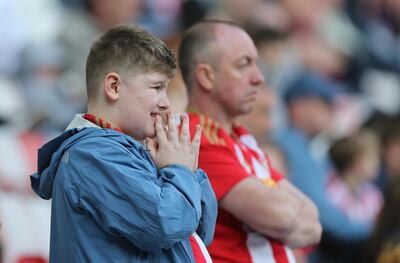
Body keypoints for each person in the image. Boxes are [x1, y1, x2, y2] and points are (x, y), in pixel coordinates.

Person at [30, 24, 217, 263]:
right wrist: (179, 171)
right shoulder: (92, 155)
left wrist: (187, 171)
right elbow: (164, 225)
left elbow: (198, 233)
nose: (166, 103)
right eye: (157, 87)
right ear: (114, 87)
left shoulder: (137, 153)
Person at [178, 20, 322, 263]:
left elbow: (313, 225)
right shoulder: (195, 138)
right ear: (206, 76)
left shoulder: (241, 138)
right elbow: (284, 216)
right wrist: (283, 220)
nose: (259, 77)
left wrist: (284, 219)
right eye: (243, 65)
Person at [274, 71, 373, 262]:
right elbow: (326, 218)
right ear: (298, 108)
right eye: (324, 103)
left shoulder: (308, 147)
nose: (332, 109)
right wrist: (376, 230)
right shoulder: (289, 147)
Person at [322, 130, 383, 262]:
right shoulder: (333, 190)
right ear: (354, 161)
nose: (377, 163)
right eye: (371, 157)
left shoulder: (373, 193)